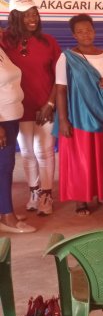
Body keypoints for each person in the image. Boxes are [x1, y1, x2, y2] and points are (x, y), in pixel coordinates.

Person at [55, 14, 103, 216]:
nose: (86, 34)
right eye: (80, 31)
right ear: (74, 35)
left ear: (94, 31)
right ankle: (81, 200)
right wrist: (63, 120)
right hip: (79, 117)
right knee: (82, 160)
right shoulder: (66, 58)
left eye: (89, 30)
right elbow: (61, 89)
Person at [0, 0, 60, 216]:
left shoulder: (48, 42)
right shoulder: (5, 41)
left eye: (35, 14)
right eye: (26, 15)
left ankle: (46, 195)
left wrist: (50, 103)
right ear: (15, 17)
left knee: (44, 151)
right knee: (26, 152)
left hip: (45, 106)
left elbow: (60, 77)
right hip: (17, 108)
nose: (32, 19)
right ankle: (34, 192)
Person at [0, 45, 35, 233]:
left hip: (11, 117)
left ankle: (3, 210)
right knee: (4, 168)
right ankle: (8, 217)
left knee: (5, 167)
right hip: (2, 120)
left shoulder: (2, 50)